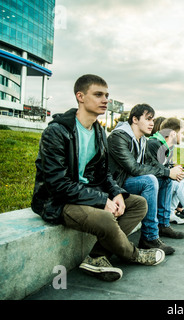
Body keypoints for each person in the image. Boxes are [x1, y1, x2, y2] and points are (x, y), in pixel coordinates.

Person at [31, 74, 165, 282]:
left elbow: (103, 174)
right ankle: (133, 254)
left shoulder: (99, 132)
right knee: (105, 217)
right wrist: (102, 201)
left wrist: (117, 193)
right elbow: (56, 184)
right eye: (98, 95)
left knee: (138, 204)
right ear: (80, 96)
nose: (105, 100)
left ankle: (97, 256)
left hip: (87, 193)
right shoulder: (57, 132)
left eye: (107, 95)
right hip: (59, 200)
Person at [107, 104, 184, 256]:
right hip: (114, 184)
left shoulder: (142, 140)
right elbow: (134, 168)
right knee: (150, 181)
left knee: (165, 180)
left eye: (153, 120)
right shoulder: (118, 137)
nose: (152, 123)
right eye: (148, 119)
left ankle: (162, 224)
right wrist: (168, 171)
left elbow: (149, 165)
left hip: (127, 181)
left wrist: (169, 172)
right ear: (134, 119)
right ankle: (149, 237)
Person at [151, 117, 184, 225]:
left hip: (160, 177)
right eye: (181, 133)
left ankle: (174, 210)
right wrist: (170, 171)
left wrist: (173, 168)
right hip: (155, 180)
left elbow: (162, 164)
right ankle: (176, 211)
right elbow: (153, 167)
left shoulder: (166, 146)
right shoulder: (154, 143)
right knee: (181, 180)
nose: (182, 136)